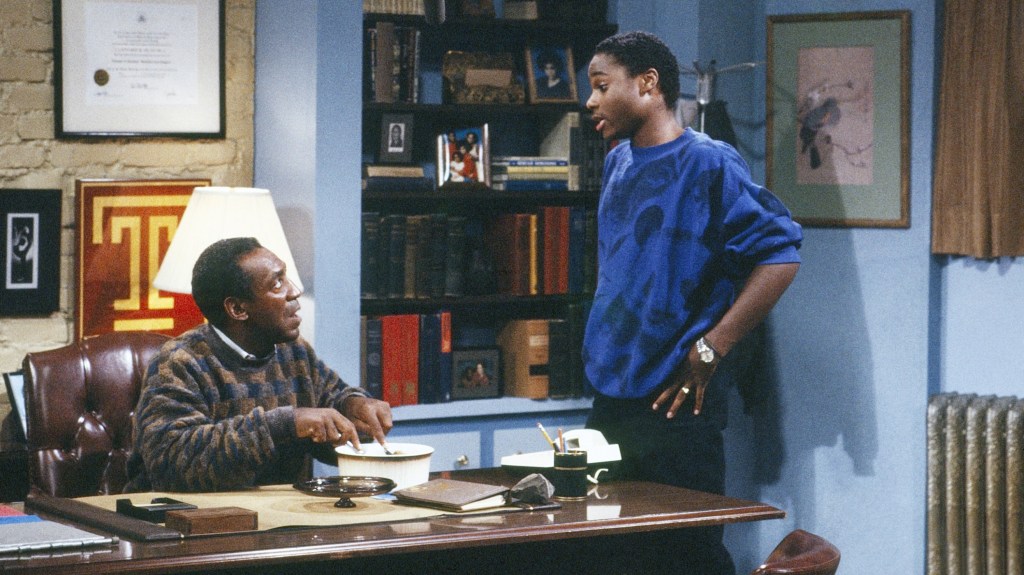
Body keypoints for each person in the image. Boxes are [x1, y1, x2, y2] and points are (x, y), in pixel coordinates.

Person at [582, 31, 802, 574]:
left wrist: (713, 347)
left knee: (687, 557)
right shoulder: (618, 161)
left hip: (676, 406)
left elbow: (780, 257)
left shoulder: (708, 162)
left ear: (648, 84)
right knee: (604, 555)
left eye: (602, 86)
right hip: (611, 398)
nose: (590, 101)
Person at [126, 237, 393, 492]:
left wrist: (353, 407)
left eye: (285, 277)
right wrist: (284, 425)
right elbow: (172, 464)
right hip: (184, 518)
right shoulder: (179, 363)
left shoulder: (294, 351)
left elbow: (332, 401)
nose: (295, 291)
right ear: (238, 309)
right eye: (277, 284)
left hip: (282, 514)